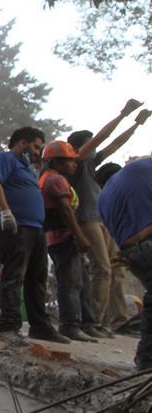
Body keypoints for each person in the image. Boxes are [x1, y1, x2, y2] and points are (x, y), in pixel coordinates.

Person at [69, 100, 147, 336]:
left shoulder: (92, 165)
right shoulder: (77, 161)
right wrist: (123, 114)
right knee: (101, 268)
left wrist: (135, 125)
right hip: (87, 219)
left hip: (102, 220)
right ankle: (95, 322)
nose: (94, 149)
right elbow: (103, 138)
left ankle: (118, 320)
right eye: (89, 144)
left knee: (117, 269)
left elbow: (114, 144)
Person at [0, 127, 60, 342]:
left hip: (35, 228)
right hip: (16, 227)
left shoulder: (27, 169)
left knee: (37, 279)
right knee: (14, 276)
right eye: (36, 146)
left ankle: (40, 326)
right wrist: (5, 212)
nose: (38, 152)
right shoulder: (5, 159)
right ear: (22, 143)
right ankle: (8, 325)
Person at [39, 141, 96, 343]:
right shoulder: (56, 181)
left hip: (56, 237)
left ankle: (84, 323)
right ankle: (70, 325)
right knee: (70, 283)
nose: (75, 165)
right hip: (62, 237)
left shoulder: (49, 178)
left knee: (78, 281)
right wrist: (80, 236)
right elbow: (65, 210)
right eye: (70, 161)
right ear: (57, 162)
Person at [98, 157, 152, 371]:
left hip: (133, 253)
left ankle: (146, 359)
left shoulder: (102, 197)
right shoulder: (138, 169)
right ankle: (147, 359)